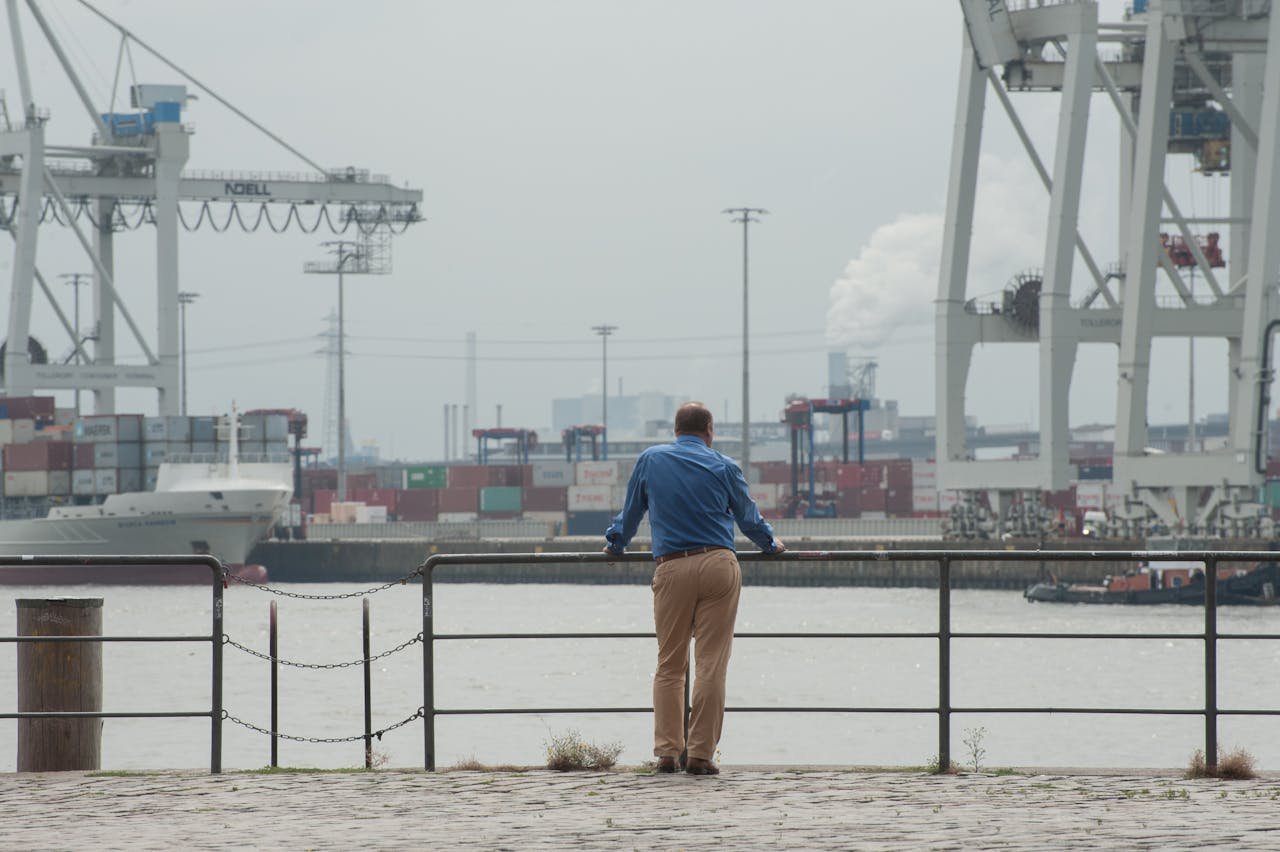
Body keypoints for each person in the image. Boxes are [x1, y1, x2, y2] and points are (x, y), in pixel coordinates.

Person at [604, 401, 784, 776]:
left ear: (675, 429)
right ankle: (701, 756)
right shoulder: (724, 465)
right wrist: (771, 545)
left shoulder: (650, 460)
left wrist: (615, 543)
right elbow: (749, 518)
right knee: (711, 665)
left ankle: (668, 753)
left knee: (670, 665)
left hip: (671, 566)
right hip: (718, 564)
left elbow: (631, 513)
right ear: (709, 430)